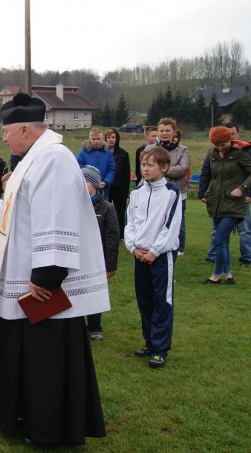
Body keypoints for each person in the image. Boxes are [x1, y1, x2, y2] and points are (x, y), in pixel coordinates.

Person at [0, 93, 107, 446]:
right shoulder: (33, 159)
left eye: (5, 131)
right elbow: (18, 209)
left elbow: (57, 217)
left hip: (43, 284)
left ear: (23, 128)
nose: (2, 139)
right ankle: (19, 414)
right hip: (28, 276)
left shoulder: (54, 160)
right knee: (25, 351)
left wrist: (47, 275)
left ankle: (47, 427)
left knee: (46, 359)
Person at [124, 146, 182, 368]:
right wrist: (134, 248)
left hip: (160, 257)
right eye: (143, 164)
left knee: (162, 301)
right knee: (145, 299)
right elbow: (129, 223)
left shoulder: (171, 193)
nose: (145, 169)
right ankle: (149, 341)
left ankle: (160, 349)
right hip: (139, 256)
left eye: (150, 165)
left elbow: (170, 226)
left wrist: (155, 251)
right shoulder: (136, 193)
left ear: (164, 167)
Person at [199, 127, 251, 286]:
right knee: (223, 241)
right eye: (217, 144)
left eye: (223, 144)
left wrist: (242, 188)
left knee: (219, 239)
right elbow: (209, 175)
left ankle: (216, 275)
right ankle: (228, 275)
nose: (221, 147)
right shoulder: (213, 155)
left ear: (230, 139)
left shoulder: (240, 154)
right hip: (216, 204)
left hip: (233, 205)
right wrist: (206, 193)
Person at [80, 166, 119, 341]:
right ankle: (76, 325)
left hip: (97, 259)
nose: (82, 184)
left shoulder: (107, 208)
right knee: (76, 291)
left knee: (94, 292)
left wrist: (110, 265)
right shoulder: (73, 205)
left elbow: (112, 238)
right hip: (78, 259)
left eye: (86, 181)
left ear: (96, 185)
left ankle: (95, 327)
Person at [153, 118, 189, 255]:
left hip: (177, 191)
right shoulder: (151, 149)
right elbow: (146, 169)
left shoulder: (183, 150)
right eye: (161, 130)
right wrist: (171, 168)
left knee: (178, 219)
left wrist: (159, 168)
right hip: (156, 191)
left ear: (174, 132)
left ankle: (179, 247)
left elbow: (183, 170)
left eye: (168, 130)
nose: (164, 133)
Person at [105, 128, 131, 240]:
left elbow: (126, 173)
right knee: (106, 213)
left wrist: (125, 190)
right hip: (106, 188)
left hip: (120, 189)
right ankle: (106, 234)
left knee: (120, 213)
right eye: (109, 137)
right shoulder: (103, 153)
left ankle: (121, 236)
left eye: (113, 137)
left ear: (117, 138)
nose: (111, 140)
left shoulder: (123, 154)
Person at [76, 127, 116, 198]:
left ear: (103, 138)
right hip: (88, 192)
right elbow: (79, 170)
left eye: (98, 139)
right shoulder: (82, 153)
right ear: (89, 139)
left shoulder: (108, 153)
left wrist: (106, 182)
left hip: (104, 191)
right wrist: (91, 183)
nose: (96, 141)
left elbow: (111, 170)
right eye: (93, 139)